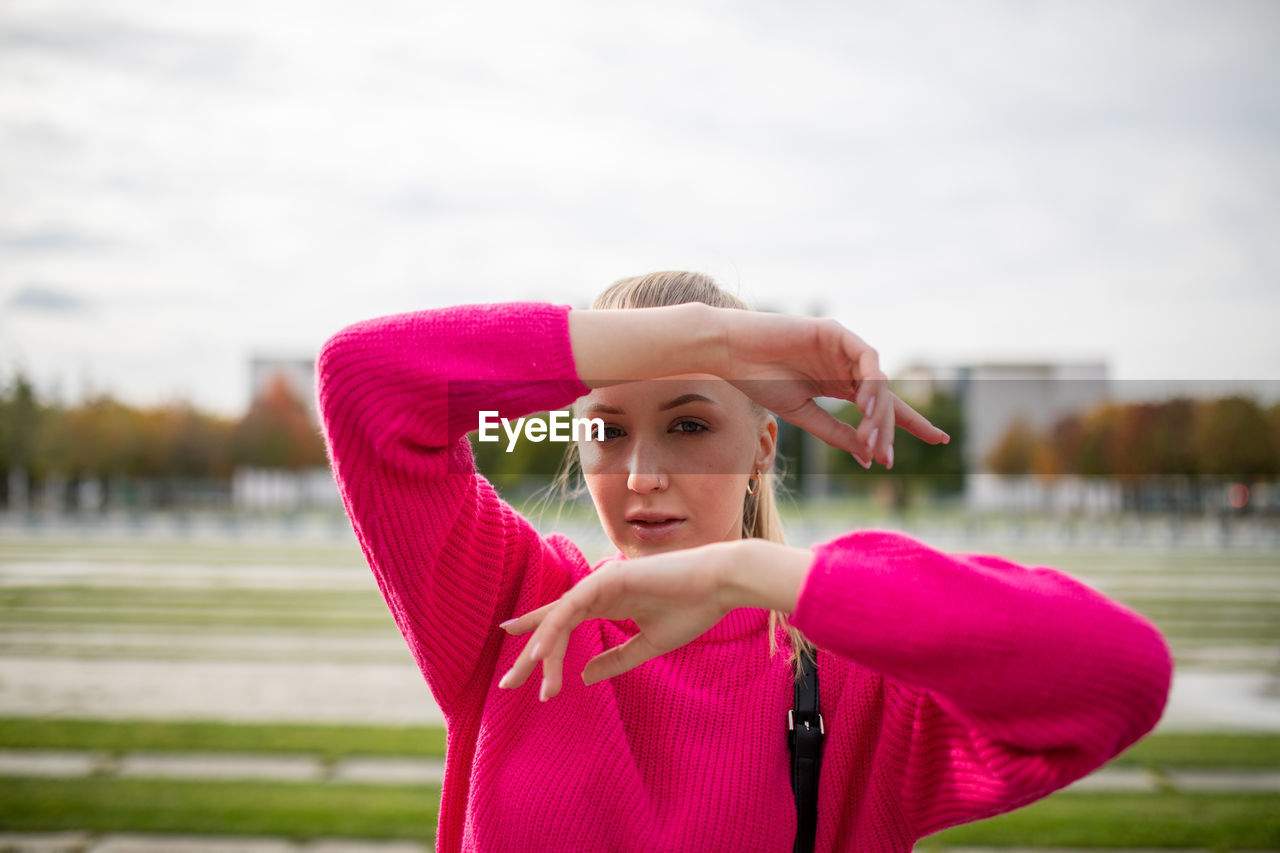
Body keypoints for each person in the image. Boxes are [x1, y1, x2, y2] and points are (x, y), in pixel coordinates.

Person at [315, 270, 1173, 853]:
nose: (643, 473)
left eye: (689, 424)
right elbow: (361, 381)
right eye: (607, 429)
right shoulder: (516, 606)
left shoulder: (849, 673)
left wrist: (752, 578)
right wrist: (709, 340)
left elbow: (1123, 674)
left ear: (763, 443)